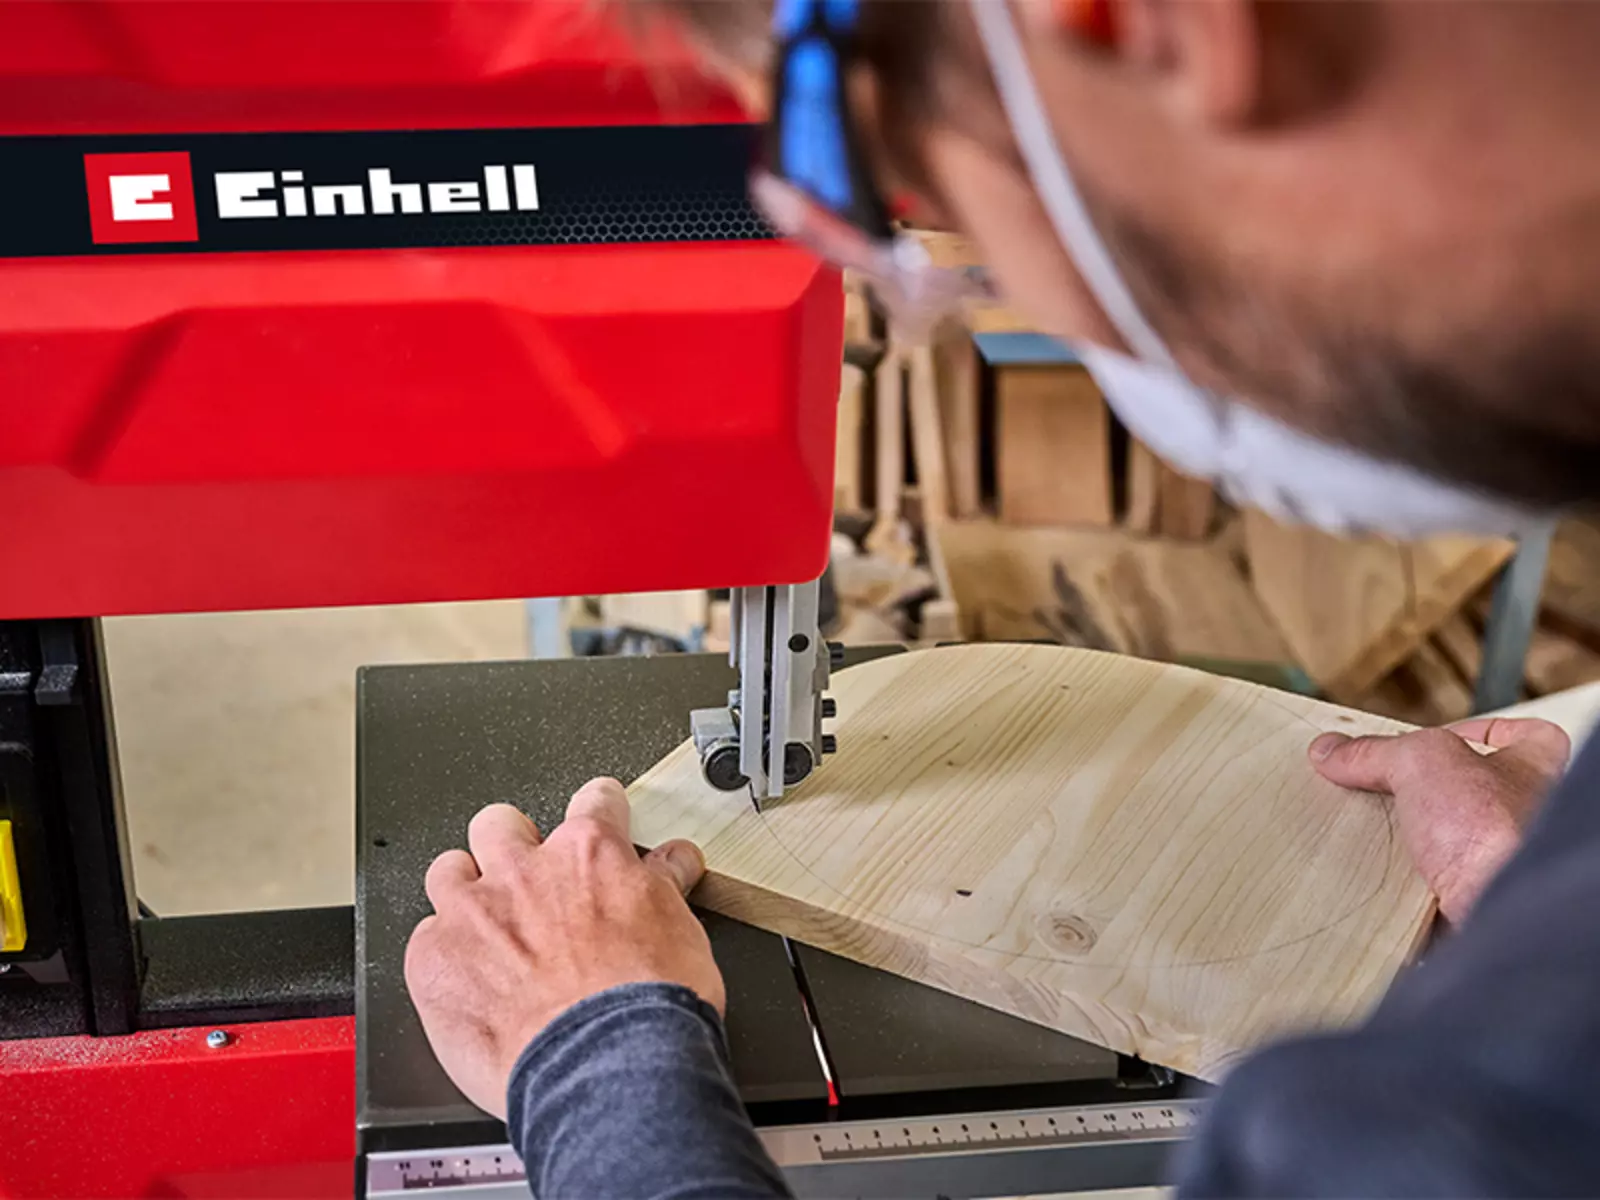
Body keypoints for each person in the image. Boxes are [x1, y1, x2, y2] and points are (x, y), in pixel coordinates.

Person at [403, 1, 1600, 1193]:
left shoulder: (1447, 1134)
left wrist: (602, 1067)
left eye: (937, 207)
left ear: (1146, 27)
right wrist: (1543, 904)